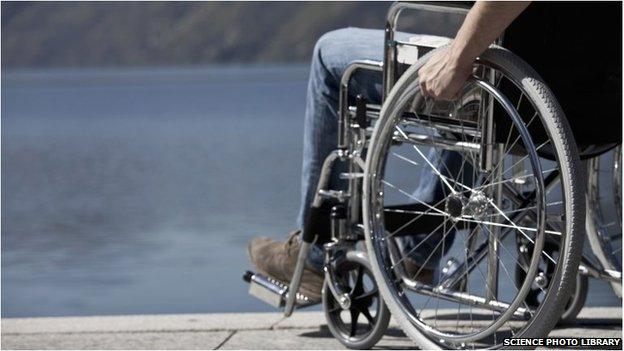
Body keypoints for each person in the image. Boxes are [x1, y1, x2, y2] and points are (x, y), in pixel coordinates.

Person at [248, 1, 622, 301]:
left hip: (517, 92)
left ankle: (313, 256)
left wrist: (460, 55)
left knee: (330, 53)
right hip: (596, 109)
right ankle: (419, 251)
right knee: (475, 84)